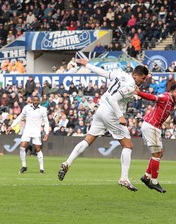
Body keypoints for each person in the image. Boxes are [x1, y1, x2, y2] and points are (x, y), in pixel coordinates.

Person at [57, 58, 148, 192]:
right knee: (128, 145)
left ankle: (68, 162)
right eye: (143, 78)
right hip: (111, 113)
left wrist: (88, 64)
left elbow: (103, 73)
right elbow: (113, 99)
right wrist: (120, 116)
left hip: (100, 110)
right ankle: (124, 178)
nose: (143, 81)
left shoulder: (121, 74)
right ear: (135, 75)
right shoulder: (129, 86)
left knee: (88, 140)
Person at [136, 82, 176, 193]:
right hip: (151, 126)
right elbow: (153, 97)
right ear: (171, 92)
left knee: (160, 153)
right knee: (156, 155)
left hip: (153, 127)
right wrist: (139, 93)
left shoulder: (173, 98)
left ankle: (146, 176)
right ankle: (154, 182)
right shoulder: (165, 97)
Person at [7, 96, 50, 174]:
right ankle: (24, 166)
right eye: (34, 100)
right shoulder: (27, 108)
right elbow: (20, 117)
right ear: (32, 101)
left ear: (39, 101)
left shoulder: (43, 110)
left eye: (37, 100)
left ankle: (41, 168)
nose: (36, 102)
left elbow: (46, 122)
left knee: (37, 149)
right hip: (27, 131)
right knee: (22, 147)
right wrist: (11, 126)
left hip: (36, 131)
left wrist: (46, 132)